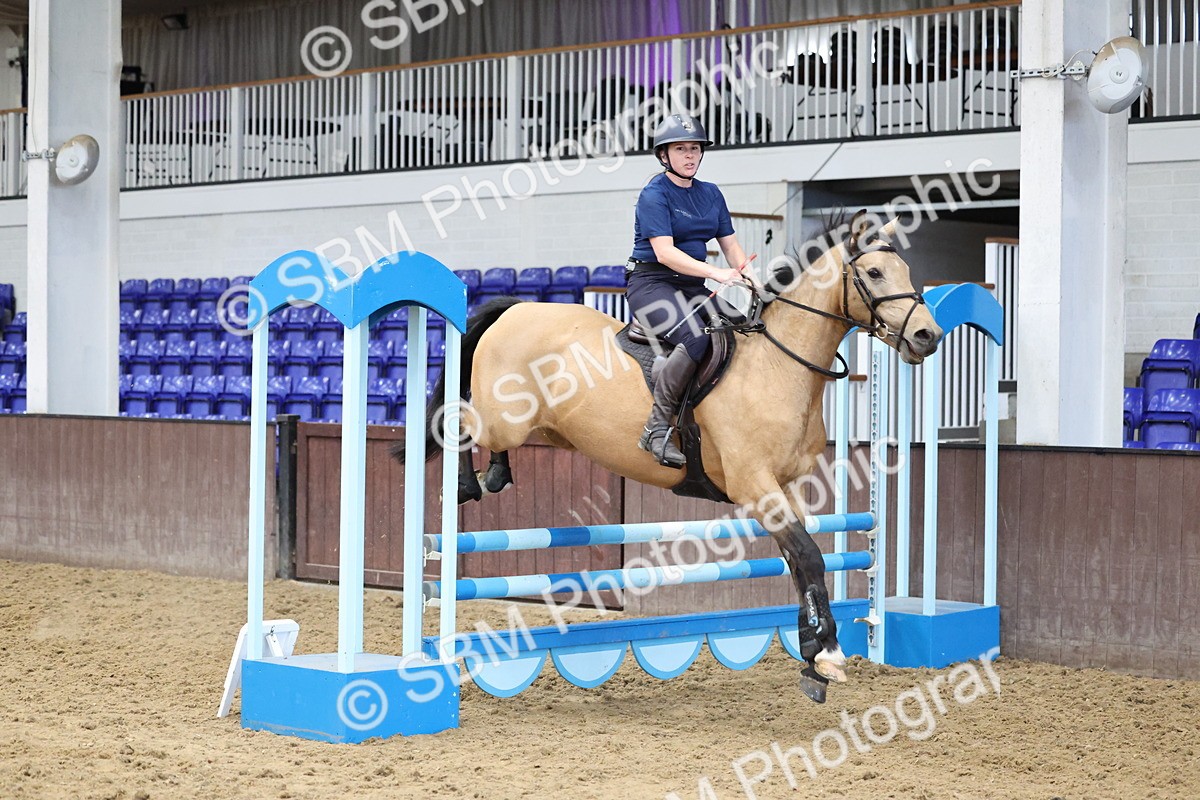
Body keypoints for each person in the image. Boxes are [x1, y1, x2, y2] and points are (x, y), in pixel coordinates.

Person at [625, 114, 750, 468]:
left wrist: (753, 280)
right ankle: (656, 428)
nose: (690, 155)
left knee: (743, 329)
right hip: (651, 284)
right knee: (696, 337)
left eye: (694, 148)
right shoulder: (654, 194)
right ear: (664, 155)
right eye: (680, 149)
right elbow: (665, 253)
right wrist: (715, 273)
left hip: (692, 286)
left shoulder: (711, 193)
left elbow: (731, 246)